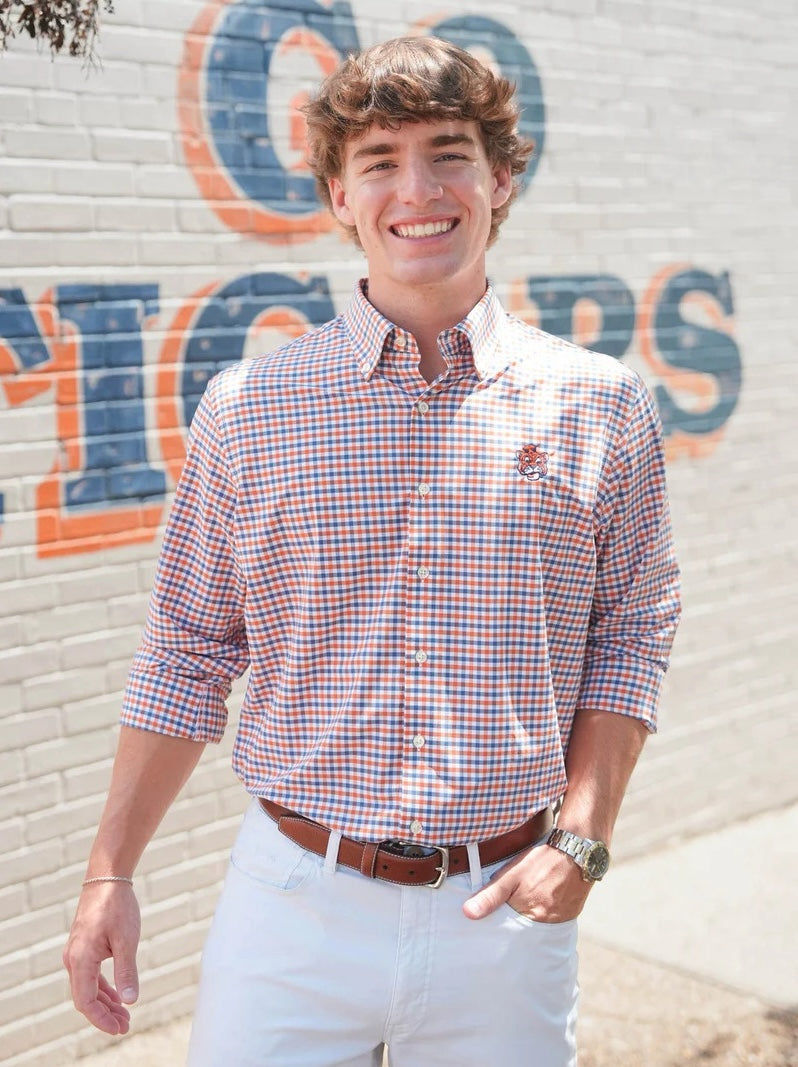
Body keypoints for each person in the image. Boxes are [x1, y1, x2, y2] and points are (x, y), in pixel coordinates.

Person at [64, 35, 680, 1066]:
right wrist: (108, 871)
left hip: (503, 912)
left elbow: (633, 630)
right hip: (293, 906)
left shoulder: (602, 403)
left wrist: (583, 836)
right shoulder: (248, 408)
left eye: (448, 154)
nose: (418, 190)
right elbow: (186, 650)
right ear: (339, 196)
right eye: (380, 161)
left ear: (500, 178)